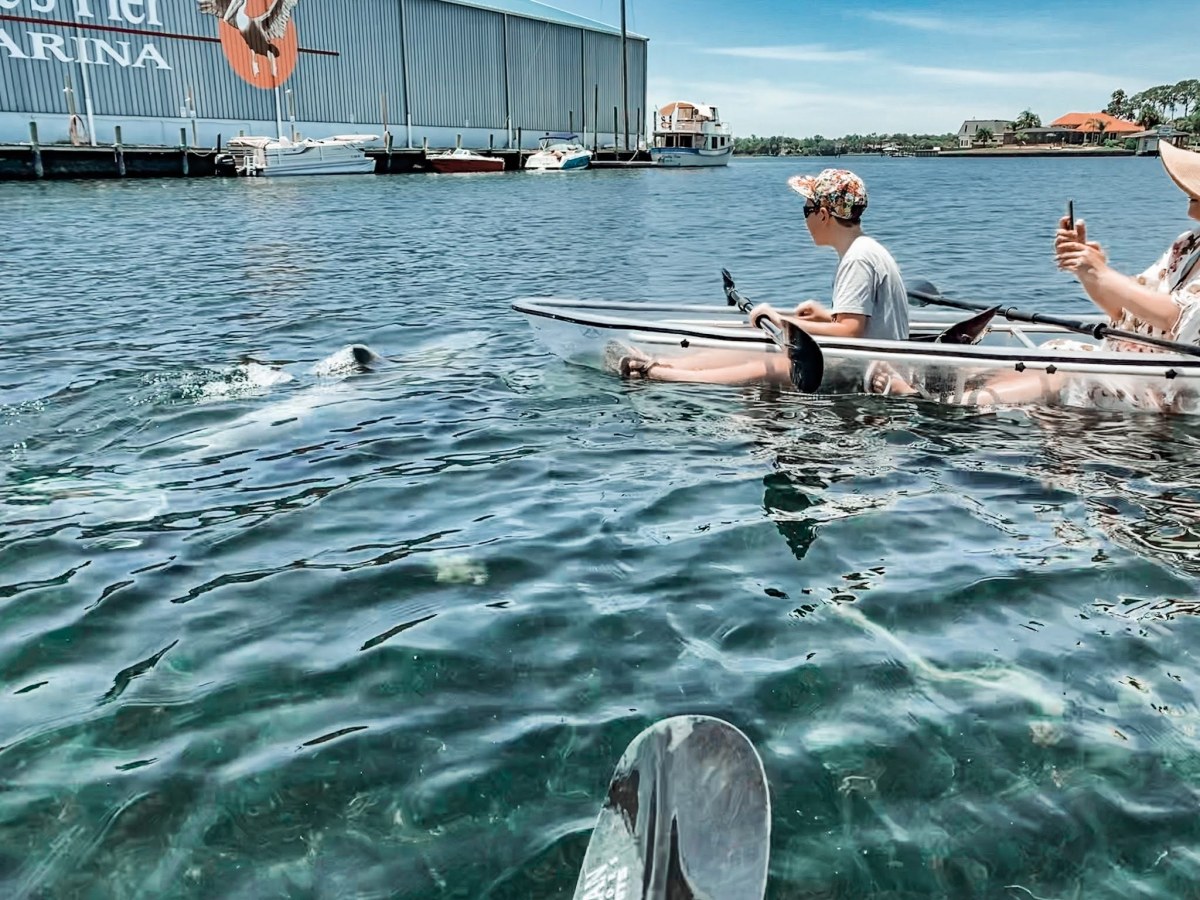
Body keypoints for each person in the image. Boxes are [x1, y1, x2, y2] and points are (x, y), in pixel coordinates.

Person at [869, 141, 1200, 410]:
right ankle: (953, 387)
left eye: (1195, 196)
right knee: (1054, 349)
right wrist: (1087, 271)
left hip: (1168, 383)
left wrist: (1102, 272)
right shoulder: (1187, 244)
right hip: (1128, 361)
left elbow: (1176, 317)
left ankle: (944, 404)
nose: (1189, 207)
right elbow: (1124, 311)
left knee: (1065, 368)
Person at [615, 168, 910, 384]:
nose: (804, 219)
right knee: (759, 344)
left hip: (868, 372)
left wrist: (783, 322)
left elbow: (851, 332)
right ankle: (667, 363)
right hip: (868, 360)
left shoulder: (857, 258)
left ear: (823, 214)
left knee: (768, 363)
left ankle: (660, 374)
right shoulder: (866, 249)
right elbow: (856, 324)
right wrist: (823, 317)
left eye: (806, 210)